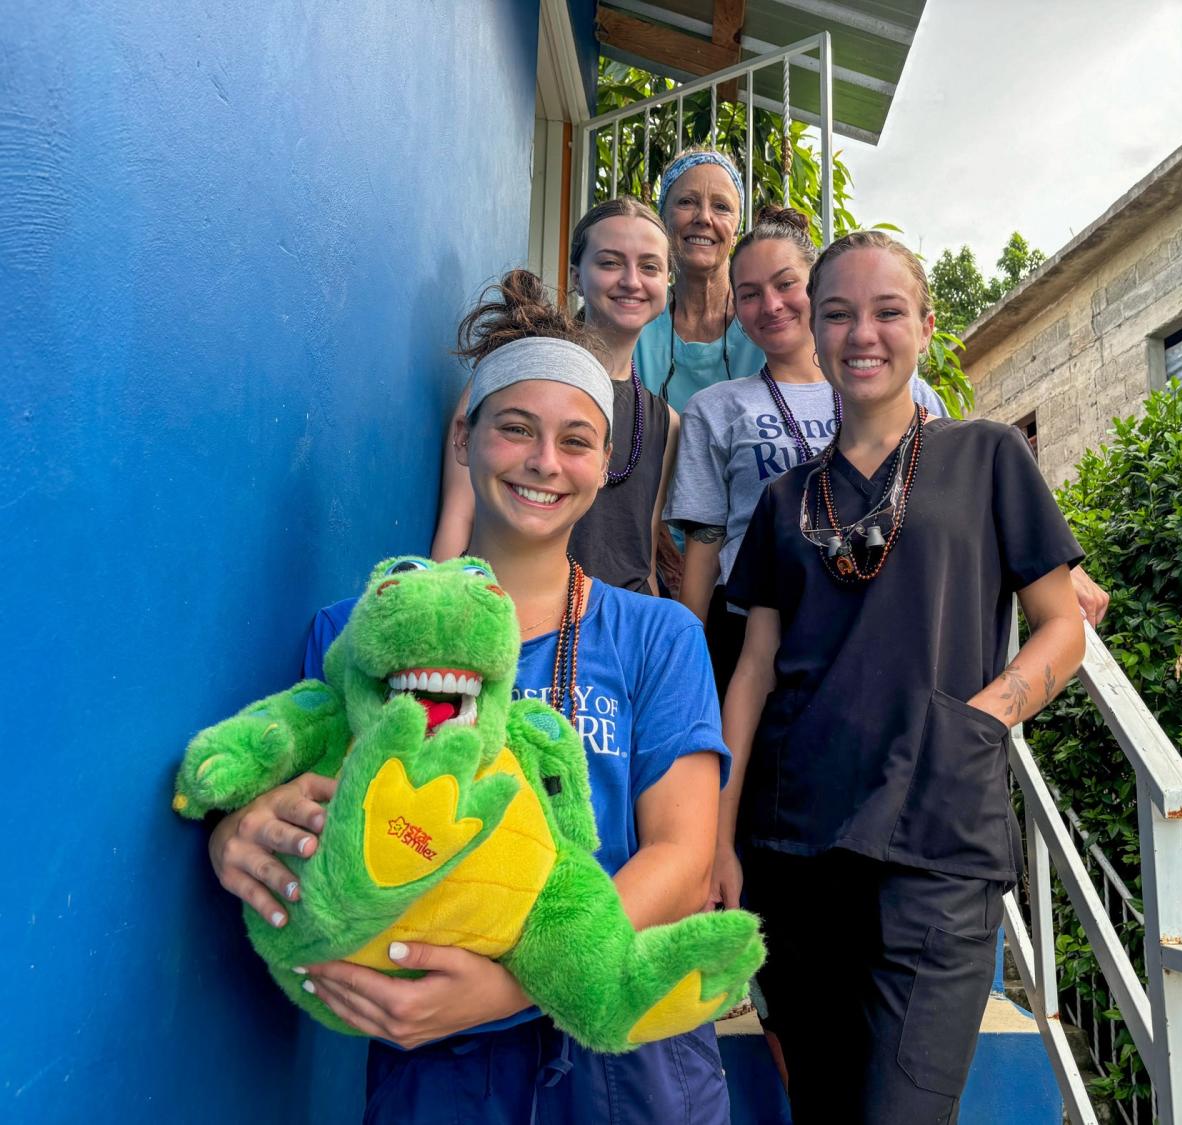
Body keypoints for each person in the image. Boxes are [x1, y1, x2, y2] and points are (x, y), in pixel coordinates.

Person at [211, 272, 734, 1124]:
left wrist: (506, 988)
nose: (543, 462)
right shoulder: (361, 636)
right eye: (516, 429)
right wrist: (239, 835)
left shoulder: (657, 637)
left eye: (575, 440)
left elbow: (682, 860)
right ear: (466, 438)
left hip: (628, 1066)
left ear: (605, 465)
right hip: (436, 1070)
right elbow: (308, 801)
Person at [715, 231, 1088, 1123]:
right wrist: (719, 839)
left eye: (887, 311)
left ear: (925, 325)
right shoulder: (783, 501)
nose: (861, 333)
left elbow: (1063, 625)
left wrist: (984, 719)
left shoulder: (991, 457)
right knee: (826, 1109)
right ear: (814, 326)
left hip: (939, 843)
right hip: (792, 843)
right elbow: (755, 671)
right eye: (837, 312)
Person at [666, 206, 946, 693]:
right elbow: (705, 548)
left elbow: (956, 498)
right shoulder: (714, 409)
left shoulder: (907, 393)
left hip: (885, 618)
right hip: (756, 634)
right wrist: (684, 660)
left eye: (784, 284)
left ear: (817, 293)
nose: (770, 305)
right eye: (749, 294)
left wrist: (1050, 574)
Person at [432, 201, 679, 596]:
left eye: (649, 266)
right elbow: (457, 522)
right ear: (577, 277)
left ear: (667, 284)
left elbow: (641, 552)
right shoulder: (511, 375)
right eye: (611, 263)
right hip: (513, 621)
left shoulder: (664, 419)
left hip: (620, 633)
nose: (632, 281)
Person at [634, 149, 765, 412]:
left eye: (721, 207)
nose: (704, 218)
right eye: (686, 202)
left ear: (737, 230)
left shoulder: (765, 320)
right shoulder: (637, 322)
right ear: (663, 220)